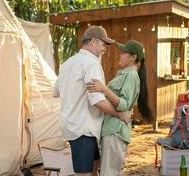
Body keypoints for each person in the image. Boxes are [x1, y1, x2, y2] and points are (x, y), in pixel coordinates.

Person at [53, 26, 131, 176]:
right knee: (84, 173)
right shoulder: (91, 64)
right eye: (103, 45)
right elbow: (97, 101)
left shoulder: (68, 63)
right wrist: (120, 114)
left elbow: (55, 92)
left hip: (72, 125)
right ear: (94, 41)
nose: (105, 49)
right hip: (84, 128)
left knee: (95, 166)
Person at [86, 40, 154, 176]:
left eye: (123, 53)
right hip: (110, 129)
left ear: (133, 57)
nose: (120, 55)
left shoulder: (132, 76)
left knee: (109, 173)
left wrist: (104, 89)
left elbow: (124, 104)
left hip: (116, 130)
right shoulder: (124, 74)